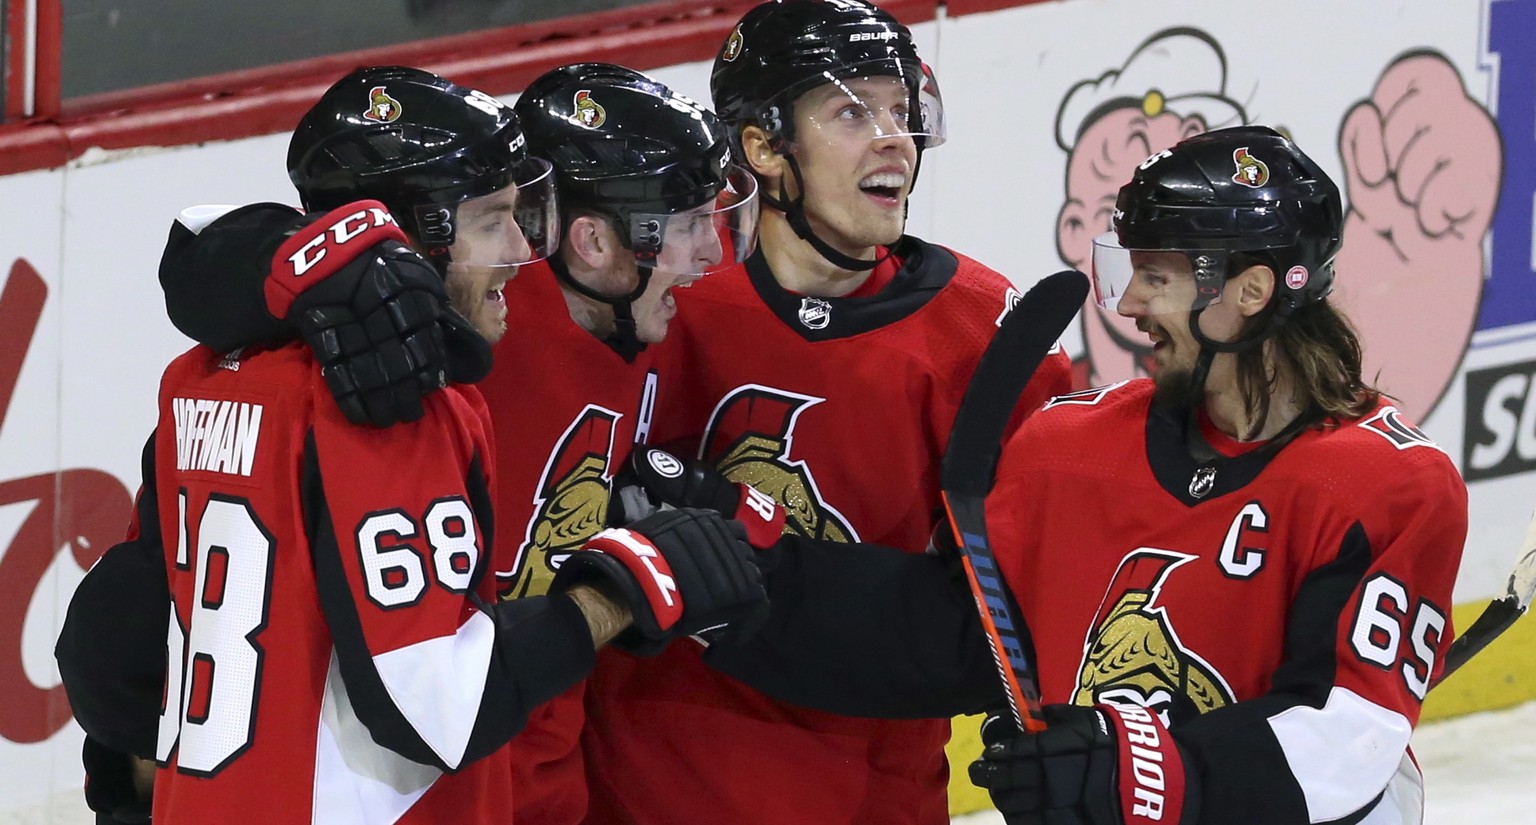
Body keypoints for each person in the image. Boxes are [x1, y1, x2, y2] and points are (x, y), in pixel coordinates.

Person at [53, 65, 768, 824]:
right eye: (497, 217)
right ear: (408, 238)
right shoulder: (396, 394)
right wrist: (620, 587)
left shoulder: (203, 374)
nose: (524, 246)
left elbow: (110, 645)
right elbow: (435, 707)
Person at [576, 2, 1074, 823]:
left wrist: (737, 532)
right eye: (852, 111)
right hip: (637, 796)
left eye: (900, 110)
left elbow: (1008, 625)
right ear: (764, 148)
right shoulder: (660, 294)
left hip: (869, 801)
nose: (894, 138)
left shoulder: (984, 336)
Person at [967, 126, 1465, 824]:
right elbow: (951, 633)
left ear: (1251, 289)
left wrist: (1130, 766)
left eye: (1156, 276)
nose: (1130, 304)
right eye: (1129, 271)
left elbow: (1342, 740)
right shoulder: (1063, 448)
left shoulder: (1387, 484)